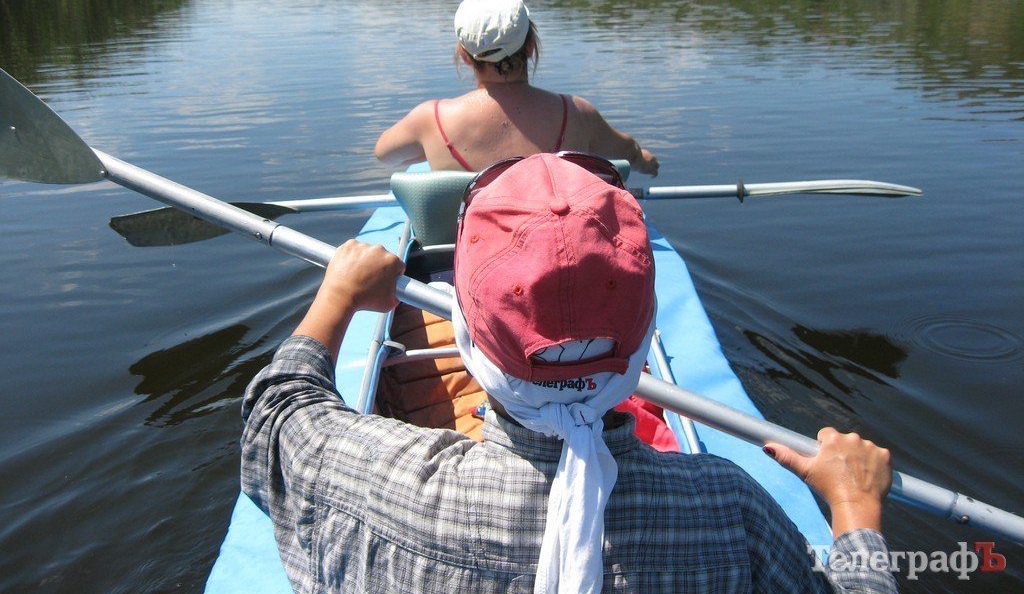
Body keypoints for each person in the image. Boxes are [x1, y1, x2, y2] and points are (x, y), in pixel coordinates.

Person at [242, 153, 896, 594]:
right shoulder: (733, 514)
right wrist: (855, 513)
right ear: (643, 342)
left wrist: (339, 294)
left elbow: (275, 414)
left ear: (470, 332)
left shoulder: (364, 475)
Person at [374, 0, 661, 176]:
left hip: (471, 262)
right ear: (531, 46)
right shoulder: (577, 114)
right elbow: (626, 151)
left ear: (464, 56)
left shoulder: (430, 120)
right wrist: (644, 160)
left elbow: (385, 155)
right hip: (555, 259)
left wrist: (432, 147)